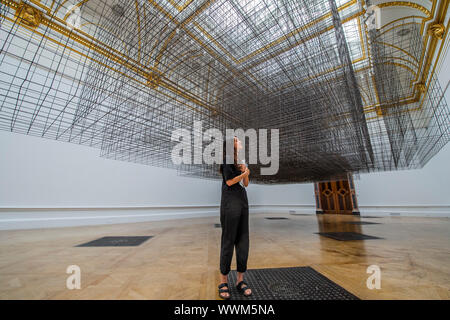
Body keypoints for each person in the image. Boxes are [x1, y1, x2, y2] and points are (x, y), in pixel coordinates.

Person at [217, 137, 252, 299]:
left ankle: (240, 280)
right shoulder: (226, 161)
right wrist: (244, 173)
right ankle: (223, 281)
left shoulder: (241, 161)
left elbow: (246, 184)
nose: (240, 142)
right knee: (229, 240)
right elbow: (230, 182)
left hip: (242, 201)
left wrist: (246, 173)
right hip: (230, 203)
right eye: (237, 140)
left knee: (243, 240)